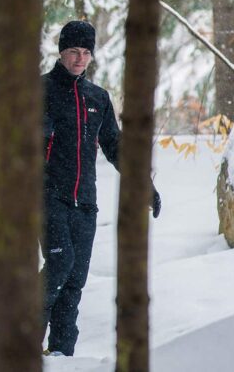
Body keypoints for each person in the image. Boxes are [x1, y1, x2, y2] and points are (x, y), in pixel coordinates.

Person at [41, 20, 162, 356]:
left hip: (85, 203)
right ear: (62, 52)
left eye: (85, 53)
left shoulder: (97, 97)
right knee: (59, 264)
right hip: (48, 197)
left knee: (75, 280)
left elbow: (115, 146)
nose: (80, 59)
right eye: (73, 52)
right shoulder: (41, 91)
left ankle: (61, 354)